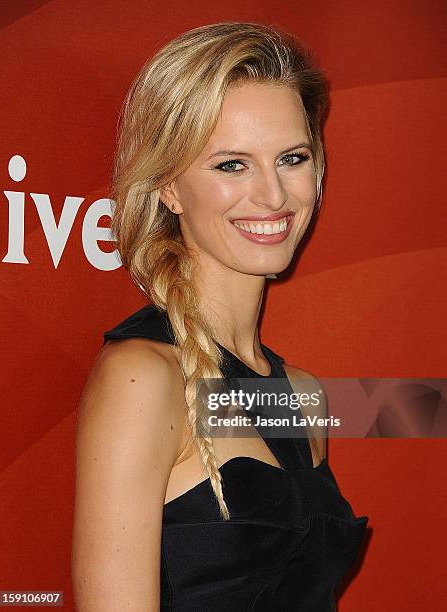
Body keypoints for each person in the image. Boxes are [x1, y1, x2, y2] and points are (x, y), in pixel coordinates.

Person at [71, 21, 369, 611]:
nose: (274, 196)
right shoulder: (142, 379)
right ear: (168, 188)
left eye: (291, 157)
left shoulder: (302, 395)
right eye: (232, 164)